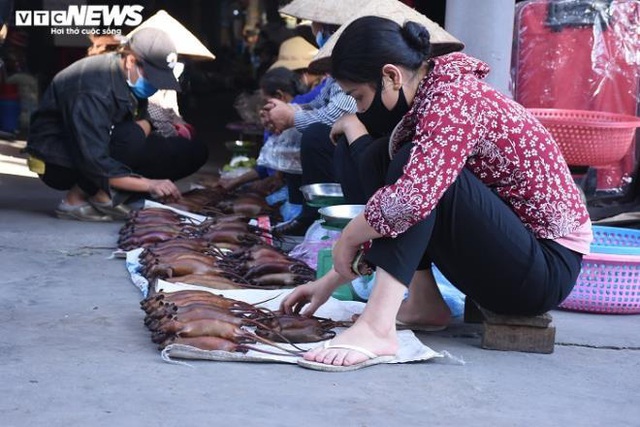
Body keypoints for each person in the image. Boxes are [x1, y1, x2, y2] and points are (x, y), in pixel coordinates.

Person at [281, 16, 593, 371]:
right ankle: (424, 302)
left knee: (412, 170)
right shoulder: (432, 96)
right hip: (512, 255)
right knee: (377, 160)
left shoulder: (455, 98)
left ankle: (377, 327)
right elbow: (406, 201)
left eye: (359, 97)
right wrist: (332, 279)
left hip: (543, 271)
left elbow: (414, 199)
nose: (361, 110)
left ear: (391, 76)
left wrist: (348, 237)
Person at [25, 27, 208, 221]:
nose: (155, 85)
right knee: (132, 135)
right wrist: (149, 184)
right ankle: (75, 201)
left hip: (101, 146)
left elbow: (145, 119)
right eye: (153, 78)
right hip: (59, 162)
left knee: (192, 150)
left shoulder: (129, 77)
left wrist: (163, 122)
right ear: (130, 61)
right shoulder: (91, 88)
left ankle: (112, 193)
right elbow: (93, 158)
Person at [263, 22, 356, 236]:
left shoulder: (353, 67)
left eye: (319, 31)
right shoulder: (334, 74)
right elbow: (317, 106)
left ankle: (311, 214)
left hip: (359, 147)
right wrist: (287, 111)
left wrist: (290, 116)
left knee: (315, 134)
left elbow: (334, 115)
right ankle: (302, 209)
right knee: (300, 129)